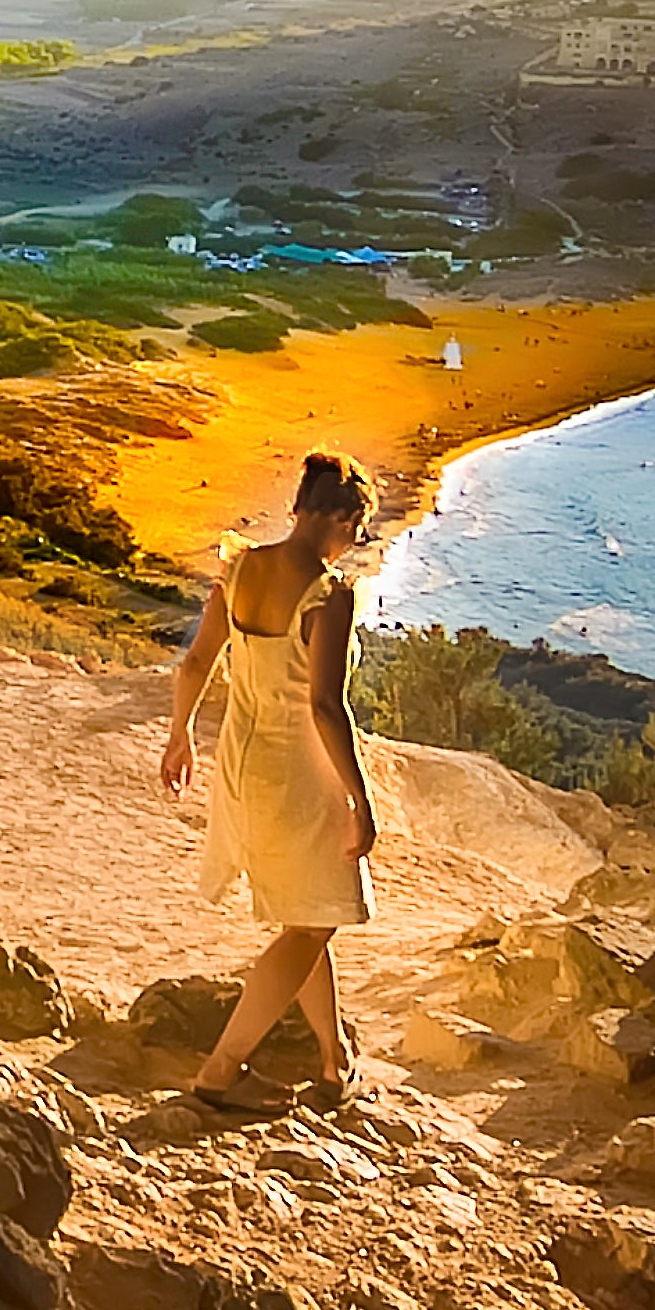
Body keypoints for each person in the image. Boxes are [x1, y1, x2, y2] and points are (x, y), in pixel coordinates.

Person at [157, 451, 380, 1109]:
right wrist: (360, 797)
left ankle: (333, 1059)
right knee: (311, 926)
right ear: (339, 518)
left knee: (308, 914)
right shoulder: (328, 595)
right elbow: (324, 706)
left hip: (240, 761)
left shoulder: (240, 566)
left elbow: (197, 661)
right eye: (358, 531)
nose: (355, 545)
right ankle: (222, 1070)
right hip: (298, 773)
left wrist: (179, 736)